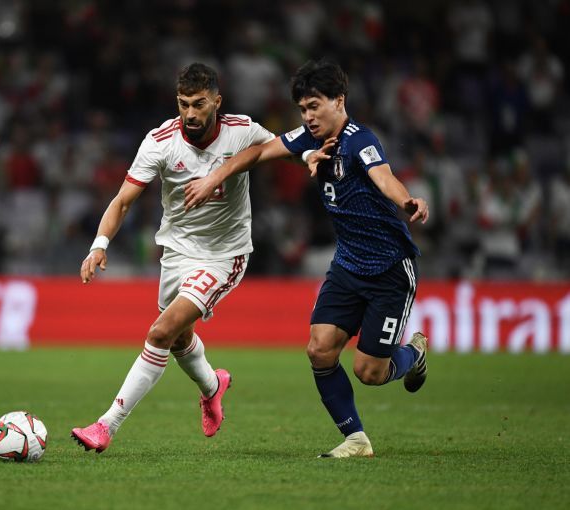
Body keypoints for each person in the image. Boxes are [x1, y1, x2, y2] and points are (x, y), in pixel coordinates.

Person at [184, 59, 429, 458]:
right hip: (348, 266)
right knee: (319, 350)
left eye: (315, 106)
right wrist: (215, 177)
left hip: (389, 269)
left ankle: (413, 354)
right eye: (302, 109)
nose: (308, 116)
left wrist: (408, 201)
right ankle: (356, 439)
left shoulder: (360, 141)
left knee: (369, 371)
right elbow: (259, 152)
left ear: (339, 101)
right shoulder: (308, 139)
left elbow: (384, 177)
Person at [71, 63, 274, 452]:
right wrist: (99, 244)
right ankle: (213, 386)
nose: (190, 113)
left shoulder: (242, 131)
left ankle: (105, 426)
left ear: (217, 101)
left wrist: (309, 156)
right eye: (183, 104)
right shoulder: (160, 141)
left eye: (199, 104)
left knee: (160, 332)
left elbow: (279, 148)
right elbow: (123, 200)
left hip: (224, 254)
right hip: (177, 251)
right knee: (180, 338)